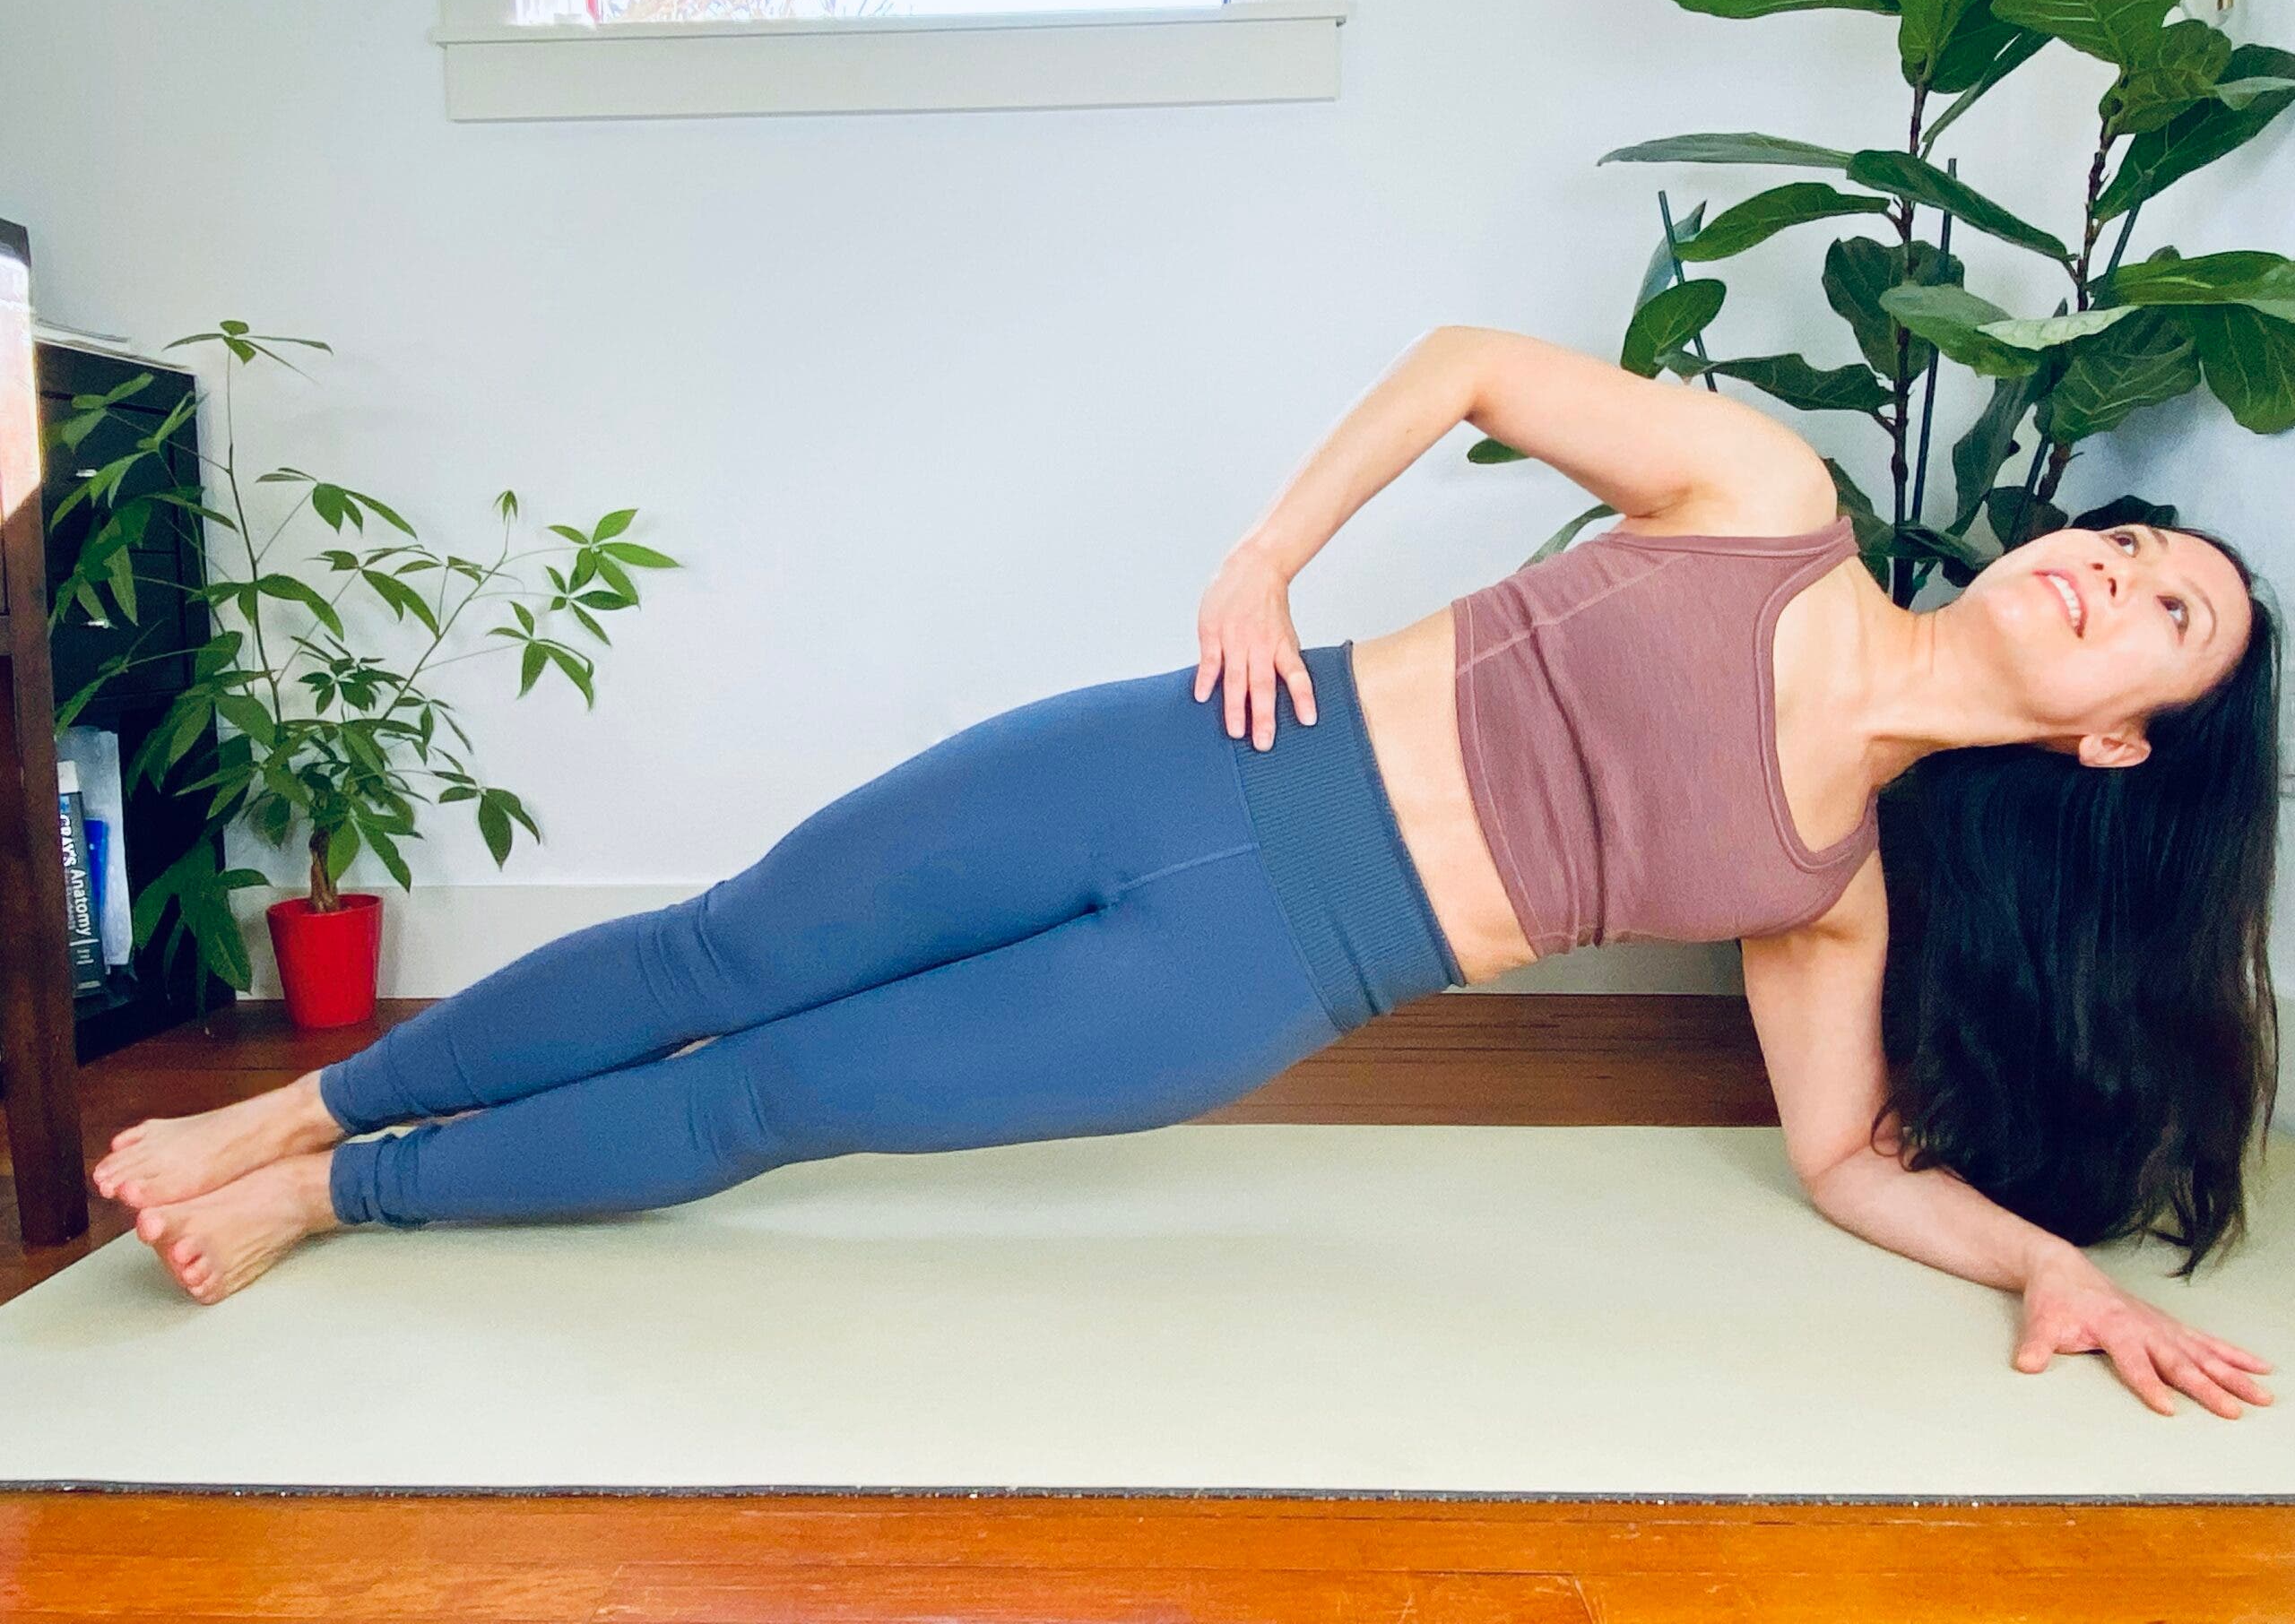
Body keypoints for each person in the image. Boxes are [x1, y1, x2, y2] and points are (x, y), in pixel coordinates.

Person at [91, 325, 2279, 1421]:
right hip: (1181, 754)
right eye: (2127, 537)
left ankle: (322, 1196)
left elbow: (1839, 1164)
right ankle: (293, 1104)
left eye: (2166, 609)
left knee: (778, 1103)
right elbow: (1469, 370)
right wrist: (1263, 559)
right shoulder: (1763, 491)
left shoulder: (1832, 889)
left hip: (1253, 980)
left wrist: (2035, 1273)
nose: (2111, 565)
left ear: (2117, 743)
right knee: (725, 946)